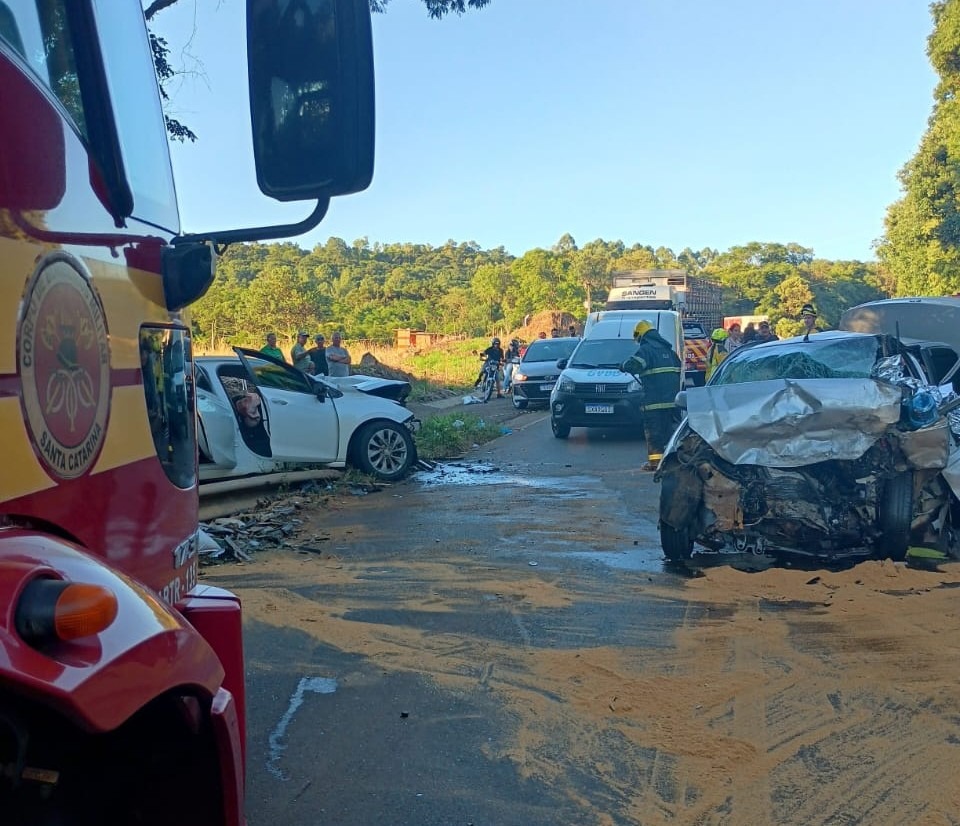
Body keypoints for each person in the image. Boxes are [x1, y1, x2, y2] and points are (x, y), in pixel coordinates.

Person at [621, 320, 682, 471]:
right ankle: (672, 462)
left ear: (640, 335)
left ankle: (655, 463)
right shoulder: (669, 351)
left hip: (653, 401)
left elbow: (633, 365)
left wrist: (623, 366)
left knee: (654, 433)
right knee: (670, 432)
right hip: (673, 401)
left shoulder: (646, 350)